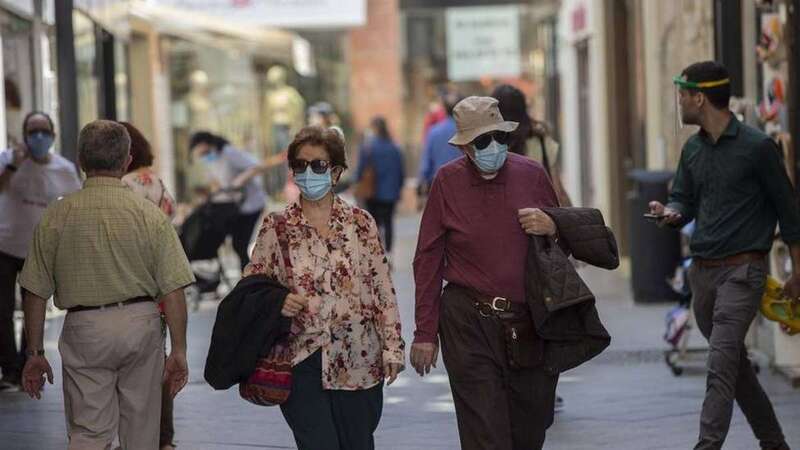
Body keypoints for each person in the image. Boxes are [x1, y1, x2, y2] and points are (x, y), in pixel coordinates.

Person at [18, 120, 195, 449]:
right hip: (140, 324)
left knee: (88, 431)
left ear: (80, 161)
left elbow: (34, 290)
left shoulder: (56, 216)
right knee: (141, 431)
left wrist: (35, 352)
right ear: (127, 160)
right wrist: (180, 351)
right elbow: (173, 288)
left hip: (84, 327)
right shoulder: (149, 215)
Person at [650, 61, 798, 450]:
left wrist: (798, 272)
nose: (679, 102)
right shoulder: (693, 150)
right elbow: (684, 200)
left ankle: (707, 445)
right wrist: (670, 213)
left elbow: (790, 212)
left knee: (720, 367)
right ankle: (775, 443)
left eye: (682, 95)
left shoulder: (758, 147)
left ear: (699, 97)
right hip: (703, 277)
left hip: (743, 273)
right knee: (735, 370)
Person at [411, 96, 561, 449]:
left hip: (528, 322)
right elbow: (428, 258)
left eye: (500, 138)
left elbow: (562, 244)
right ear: (464, 147)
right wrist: (425, 332)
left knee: (530, 430)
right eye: (482, 141)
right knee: (485, 433)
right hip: (468, 323)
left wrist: (551, 225)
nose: (493, 147)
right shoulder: (446, 182)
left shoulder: (532, 174)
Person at [243, 125, 405, 450]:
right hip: (300, 357)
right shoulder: (277, 226)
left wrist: (392, 347)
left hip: (359, 357)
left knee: (358, 443)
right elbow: (251, 287)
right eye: (299, 165)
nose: (307, 173)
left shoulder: (361, 223)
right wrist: (279, 302)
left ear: (336, 171)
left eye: (317, 165)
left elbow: (381, 288)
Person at [0, 111, 81, 392]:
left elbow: (74, 207)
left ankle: (26, 364)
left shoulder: (65, 169)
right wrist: (13, 165)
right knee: (2, 310)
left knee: (35, 309)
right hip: (5, 246)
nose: (38, 136)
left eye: (43, 131)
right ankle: (9, 370)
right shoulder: (7, 159)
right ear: (23, 135)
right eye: (32, 131)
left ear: (53, 135)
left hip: (39, 250)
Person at [119, 121, 178, 450]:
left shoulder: (123, 186)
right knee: (159, 365)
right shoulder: (157, 183)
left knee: (128, 369)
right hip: (159, 286)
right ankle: (164, 438)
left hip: (130, 286)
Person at [190, 131, 267, 270]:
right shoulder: (212, 160)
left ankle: (251, 279)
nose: (204, 156)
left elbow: (257, 166)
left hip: (251, 205)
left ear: (207, 144)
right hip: (234, 207)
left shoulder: (229, 153)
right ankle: (247, 278)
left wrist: (240, 180)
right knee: (236, 245)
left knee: (240, 245)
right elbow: (218, 184)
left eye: (204, 152)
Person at [491, 84, 573, 207]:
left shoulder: (491, 146)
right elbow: (557, 190)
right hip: (539, 217)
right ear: (523, 109)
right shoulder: (541, 140)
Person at [355, 116, 405, 254]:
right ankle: (389, 253)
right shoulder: (395, 147)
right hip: (390, 193)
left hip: (373, 193)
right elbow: (401, 171)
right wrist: (398, 189)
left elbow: (361, 169)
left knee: (374, 223)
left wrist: (357, 184)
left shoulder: (368, 146)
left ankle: (377, 252)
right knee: (389, 223)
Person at [417, 93, 462, 190]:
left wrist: (421, 181)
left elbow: (426, 161)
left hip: (438, 184)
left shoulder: (434, 131)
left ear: (444, 109)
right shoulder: (466, 130)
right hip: (462, 183)